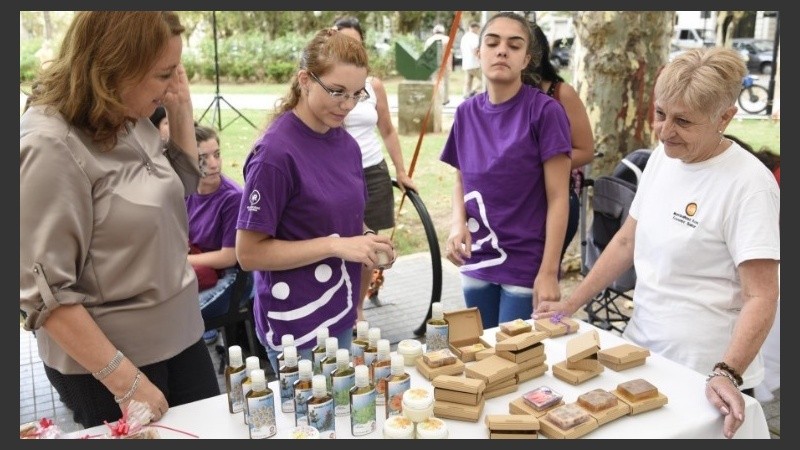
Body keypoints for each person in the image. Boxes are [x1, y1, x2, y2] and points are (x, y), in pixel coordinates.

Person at [534, 47, 780, 439]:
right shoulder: (665, 158)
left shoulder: (750, 185)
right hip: (642, 352)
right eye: (661, 113)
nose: (664, 132)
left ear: (725, 117)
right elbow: (625, 241)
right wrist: (569, 304)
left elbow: (762, 296)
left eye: (683, 121)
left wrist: (727, 372)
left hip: (707, 373)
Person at [19, 11, 220, 428]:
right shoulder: (49, 144)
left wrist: (181, 109)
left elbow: (175, 188)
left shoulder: (127, 114)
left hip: (181, 336)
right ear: (116, 67)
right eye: (164, 75)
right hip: (112, 363)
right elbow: (44, 293)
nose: (170, 88)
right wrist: (127, 384)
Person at [235, 28, 396, 376]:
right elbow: (248, 254)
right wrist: (337, 247)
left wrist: (368, 240)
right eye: (337, 92)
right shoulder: (275, 155)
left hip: (340, 307)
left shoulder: (347, 143)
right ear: (305, 80)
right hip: (295, 322)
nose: (348, 105)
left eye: (357, 94)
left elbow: (348, 223)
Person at [440, 11, 573, 329]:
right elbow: (461, 176)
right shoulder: (465, 112)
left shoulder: (545, 112)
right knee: (480, 350)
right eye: (493, 42)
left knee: (514, 357)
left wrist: (549, 271)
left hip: (525, 262)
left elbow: (559, 198)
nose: (502, 50)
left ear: (526, 59)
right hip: (477, 258)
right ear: (478, 53)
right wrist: (457, 225)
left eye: (514, 46)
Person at [333, 16, 418, 323]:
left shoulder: (374, 85)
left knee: (372, 244)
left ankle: (357, 310)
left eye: (355, 43)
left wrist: (402, 171)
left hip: (373, 171)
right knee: (342, 242)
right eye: (342, 43)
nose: (349, 49)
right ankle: (337, 304)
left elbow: (388, 130)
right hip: (338, 175)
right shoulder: (327, 86)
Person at [529, 24, 595, 263]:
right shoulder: (502, 96)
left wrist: (544, 166)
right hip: (515, 203)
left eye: (515, 45)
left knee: (541, 274)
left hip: (555, 201)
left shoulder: (560, 93)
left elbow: (586, 151)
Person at [186, 124, 248, 346]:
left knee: (179, 320)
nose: (213, 164)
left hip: (232, 278)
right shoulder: (185, 189)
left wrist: (182, 260)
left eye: (217, 155)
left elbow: (229, 257)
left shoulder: (232, 197)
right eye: (203, 157)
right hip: (197, 273)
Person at [424, 24, 452, 105]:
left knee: (436, 81)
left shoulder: (429, 40)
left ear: (434, 32)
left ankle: (437, 98)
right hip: (445, 63)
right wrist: (450, 65)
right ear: (443, 31)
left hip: (433, 63)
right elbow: (450, 52)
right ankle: (445, 99)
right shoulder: (447, 39)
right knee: (446, 81)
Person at [460, 21, 482, 99]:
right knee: (485, 78)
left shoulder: (464, 37)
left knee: (468, 81)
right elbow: (475, 49)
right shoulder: (474, 37)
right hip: (474, 63)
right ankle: (473, 91)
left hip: (466, 63)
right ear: (476, 28)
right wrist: (480, 59)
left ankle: (466, 95)